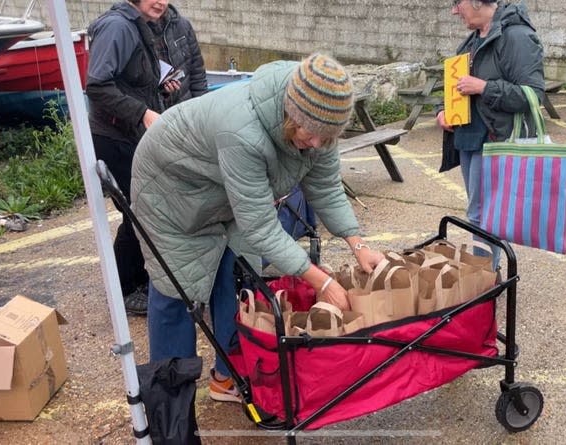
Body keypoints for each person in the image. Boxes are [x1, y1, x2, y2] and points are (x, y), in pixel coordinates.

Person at [131, 53, 385, 402]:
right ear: (291, 115)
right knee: (178, 288)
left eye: (326, 139)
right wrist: (321, 280)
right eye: (311, 135)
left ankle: (228, 375)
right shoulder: (243, 130)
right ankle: (168, 405)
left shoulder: (321, 128)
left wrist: (358, 245)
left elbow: (325, 187)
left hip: (222, 189)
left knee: (235, 278)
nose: (316, 145)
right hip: (172, 189)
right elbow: (261, 227)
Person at [86, 0, 207, 315]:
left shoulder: (147, 25)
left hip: (137, 134)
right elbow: (97, 86)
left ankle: (138, 281)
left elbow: (138, 81)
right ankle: (124, 290)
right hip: (114, 137)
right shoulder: (118, 27)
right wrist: (143, 113)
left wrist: (161, 94)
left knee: (146, 210)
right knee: (136, 213)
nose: (161, 2)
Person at [436, 0, 545, 268]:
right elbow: (454, 84)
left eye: (456, 3)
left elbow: (533, 94)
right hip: (468, 139)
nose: (453, 10)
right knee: (477, 213)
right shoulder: (473, 39)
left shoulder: (517, 37)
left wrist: (485, 87)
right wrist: (442, 110)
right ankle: (483, 274)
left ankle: (484, 278)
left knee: (485, 215)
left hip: (495, 139)